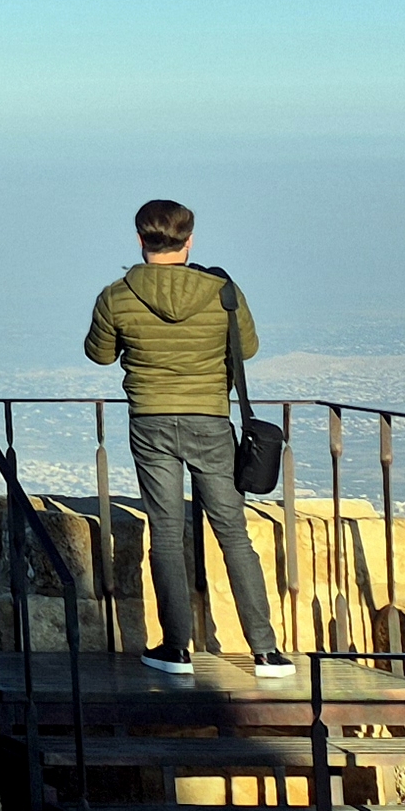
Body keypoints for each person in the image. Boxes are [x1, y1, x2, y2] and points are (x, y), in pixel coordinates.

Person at [81, 198, 291, 679]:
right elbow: (248, 350)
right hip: (210, 420)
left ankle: (176, 649)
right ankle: (265, 652)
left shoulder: (117, 295)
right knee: (233, 533)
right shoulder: (222, 292)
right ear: (189, 240)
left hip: (151, 419)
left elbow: (99, 355)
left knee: (167, 534)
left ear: (140, 239)